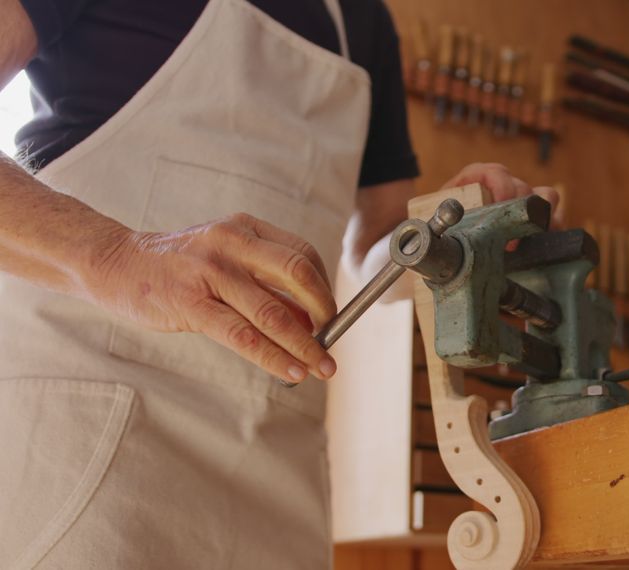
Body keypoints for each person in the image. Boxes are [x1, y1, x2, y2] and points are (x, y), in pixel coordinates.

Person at [0, 0, 555, 567]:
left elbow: (374, 254)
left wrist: (445, 239)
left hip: (276, 463)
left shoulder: (363, 21)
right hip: (85, 432)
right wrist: (120, 257)